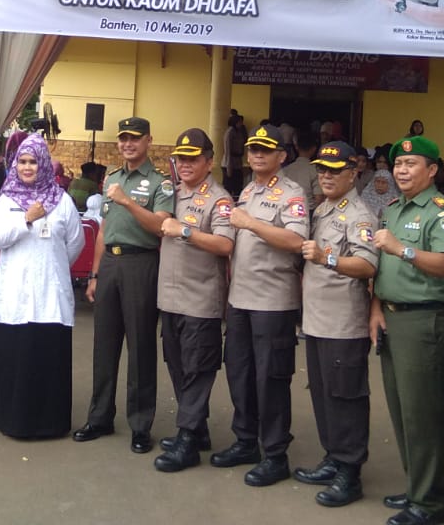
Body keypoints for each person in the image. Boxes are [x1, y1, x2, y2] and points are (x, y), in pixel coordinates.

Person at [368, 134, 444, 525]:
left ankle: (428, 505)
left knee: (422, 414)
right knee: (402, 410)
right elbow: (382, 268)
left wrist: (401, 249)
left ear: (432, 170)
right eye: (398, 165)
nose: (402, 171)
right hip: (392, 316)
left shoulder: (441, 211)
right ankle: (419, 489)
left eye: (411, 165)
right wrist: (375, 307)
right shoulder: (394, 209)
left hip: (425, 320)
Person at [211, 123, 308, 487]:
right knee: (239, 372)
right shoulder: (248, 189)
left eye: (265, 150)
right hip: (241, 300)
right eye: (252, 149)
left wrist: (250, 222)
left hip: (272, 301)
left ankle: (276, 453)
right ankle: (246, 441)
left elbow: (296, 239)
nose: (256, 155)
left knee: (271, 379)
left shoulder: (291, 194)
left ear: (281, 156)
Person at [73, 116, 172, 454]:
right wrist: (95, 274)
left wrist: (129, 201)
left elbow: (160, 227)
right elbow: (103, 229)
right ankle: (99, 416)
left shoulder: (159, 183)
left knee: (141, 347)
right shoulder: (111, 178)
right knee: (104, 345)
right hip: (111, 265)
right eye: (123, 138)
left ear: (148, 141)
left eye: (135, 138)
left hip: (140, 262)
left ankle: (140, 424)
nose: (128, 144)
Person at [0, 134, 84, 438]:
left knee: (46, 357)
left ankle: (48, 423)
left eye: (34, 162)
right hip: (14, 291)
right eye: (23, 162)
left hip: (50, 292)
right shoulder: (7, 199)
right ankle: (8, 419)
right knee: (16, 354)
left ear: (44, 165)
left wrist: (50, 266)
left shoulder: (62, 200)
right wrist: (27, 218)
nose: (28, 168)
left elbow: (75, 243)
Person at [294, 140, 378, 507]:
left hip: (344, 323)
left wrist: (328, 257)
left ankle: (349, 472)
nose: (326, 176)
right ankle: (333, 457)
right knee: (324, 394)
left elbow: (367, 265)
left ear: (353, 173)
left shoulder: (359, 215)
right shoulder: (323, 209)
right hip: (317, 321)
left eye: (334, 170)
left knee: (346, 397)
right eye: (322, 170)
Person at [152, 128, 235, 472]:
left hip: (201, 300)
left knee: (198, 369)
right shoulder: (172, 193)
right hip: (170, 299)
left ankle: (186, 439)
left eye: (193, 159)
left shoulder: (220, 199)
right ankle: (197, 429)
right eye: (180, 159)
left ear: (210, 162)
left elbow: (225, 245)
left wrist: (185, 230)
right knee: (177, 365)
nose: (185, 164)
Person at [281, 129, 322, 208]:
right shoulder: (316, 170)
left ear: (296, 147)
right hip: (308, 211)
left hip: (287, 209)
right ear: (314, 149)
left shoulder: (285, 170)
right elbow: (319, 199)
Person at [222, 112, 247, 198]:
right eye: (240, 122)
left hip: (237, 162)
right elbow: (227, 149)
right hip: (230, 162)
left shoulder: (239, 132)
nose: (241, 124)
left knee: (238, 184)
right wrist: (229, 166)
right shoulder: (230, 132)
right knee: (229, 185)